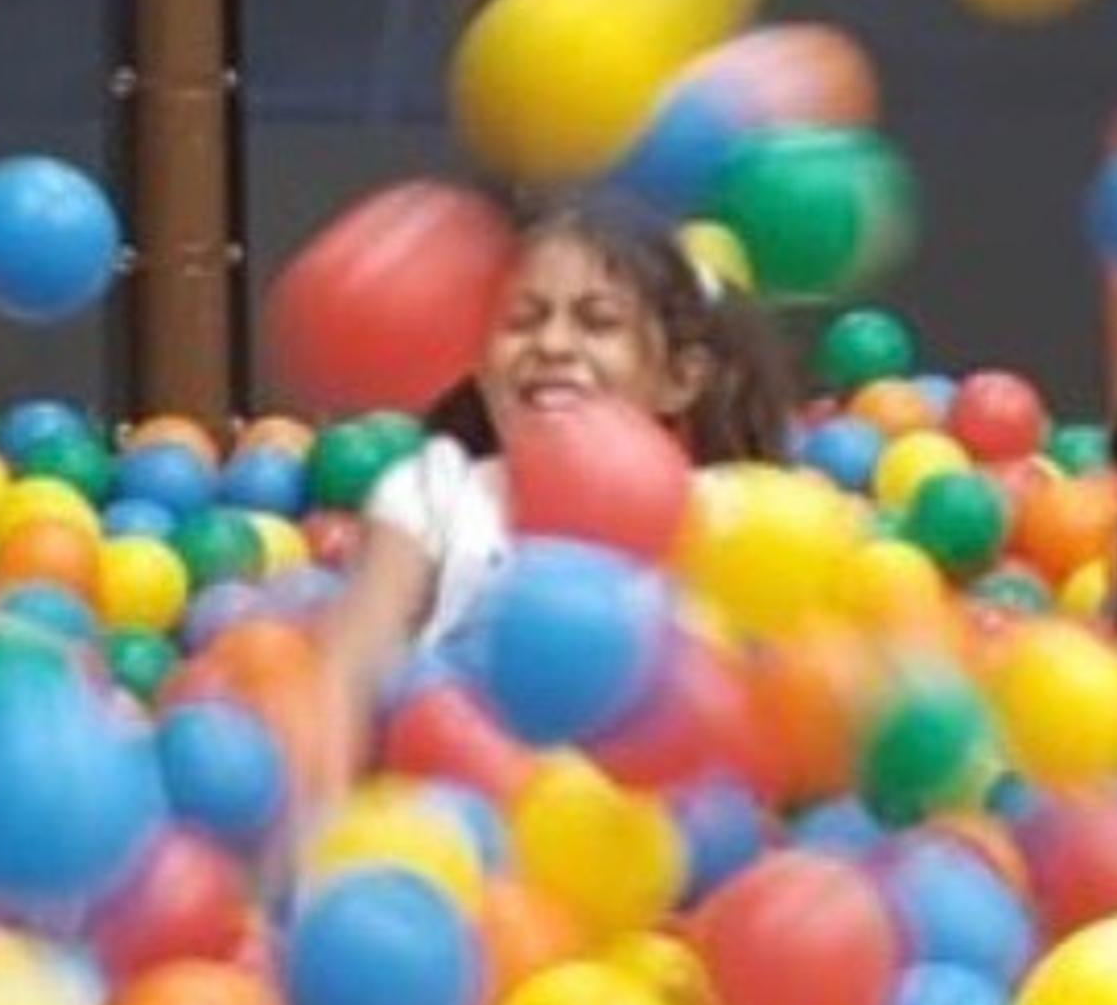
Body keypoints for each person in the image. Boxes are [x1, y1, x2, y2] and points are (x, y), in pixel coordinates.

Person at [302, 202, 794, 771]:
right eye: (521, 319)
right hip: (465, 824)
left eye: (598, 322)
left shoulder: (729, 514)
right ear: (478, 363)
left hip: (647, 834)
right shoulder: (436, 494)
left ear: (679, 380)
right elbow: (349, 677)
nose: (553, 345)